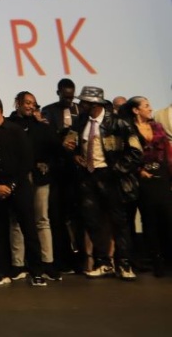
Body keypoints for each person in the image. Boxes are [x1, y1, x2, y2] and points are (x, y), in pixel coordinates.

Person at [62, 86, 140, 281]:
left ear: (95, 104)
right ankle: (103, 262)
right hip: (88, 177)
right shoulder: (80, 121)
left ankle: (124, 264)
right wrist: (73, 153)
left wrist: (117, 169)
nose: (80, 104)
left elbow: (136, 151)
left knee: (119, 222)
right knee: (92, 221)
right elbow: (70, 142)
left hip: (110, 176)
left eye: (85, 102)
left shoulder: (118, 123)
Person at [0, 95, 45, 287]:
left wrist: (12, 185)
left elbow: (26, 160)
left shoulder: (16, 131)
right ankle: (1, 272)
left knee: (29, 230)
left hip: (19, 186)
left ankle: (37, 272)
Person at [6, 91, 58, 281]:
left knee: (42, 219)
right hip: (19, 178)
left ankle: (47, 263)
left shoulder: (40, 125)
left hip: (40, 177)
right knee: (16, 221)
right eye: (27, 102)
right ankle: (18, 264)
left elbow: (54, 148)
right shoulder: (9, 125)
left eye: (33, 103)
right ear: (17, 103)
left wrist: (47, 164)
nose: (30, 106)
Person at [120, 96, 172, 277]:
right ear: (136, 110)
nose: (150, 109)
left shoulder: (157, 127)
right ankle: (157, 262)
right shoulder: (129, 130)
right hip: (142, 179)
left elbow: (168, 153)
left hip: (162, 176)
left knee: (167, 217)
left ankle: (169, 258)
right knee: (149, 220)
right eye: (146, 106)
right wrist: (139, 170)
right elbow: (126, 154)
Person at [41, 78, 81, 273]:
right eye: (65, 97)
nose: (69, 101)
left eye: (71, 97)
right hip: (56, 170)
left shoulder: (79, 111)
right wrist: (61, 141)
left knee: (76, 216)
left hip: (76, 170)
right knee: (56, 216)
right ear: (58, 93)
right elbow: (46, 137)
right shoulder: (48, 111)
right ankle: (60, 259)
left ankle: (79, 259)